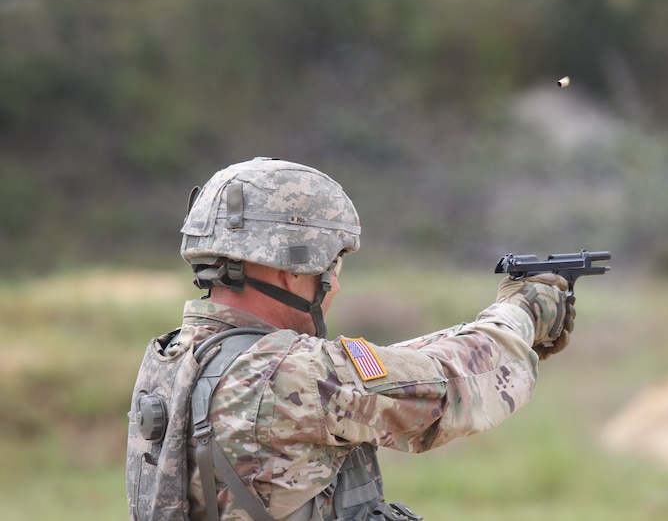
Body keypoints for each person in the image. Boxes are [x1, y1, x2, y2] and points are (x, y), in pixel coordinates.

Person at [127, 157, 576, 521]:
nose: (336, 285)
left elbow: (371, 375)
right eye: (334, 266)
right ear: (293, 269)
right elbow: (450, 385)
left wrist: (475, 328)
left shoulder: (180, 359)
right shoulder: (295, 375)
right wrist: (522, 313)